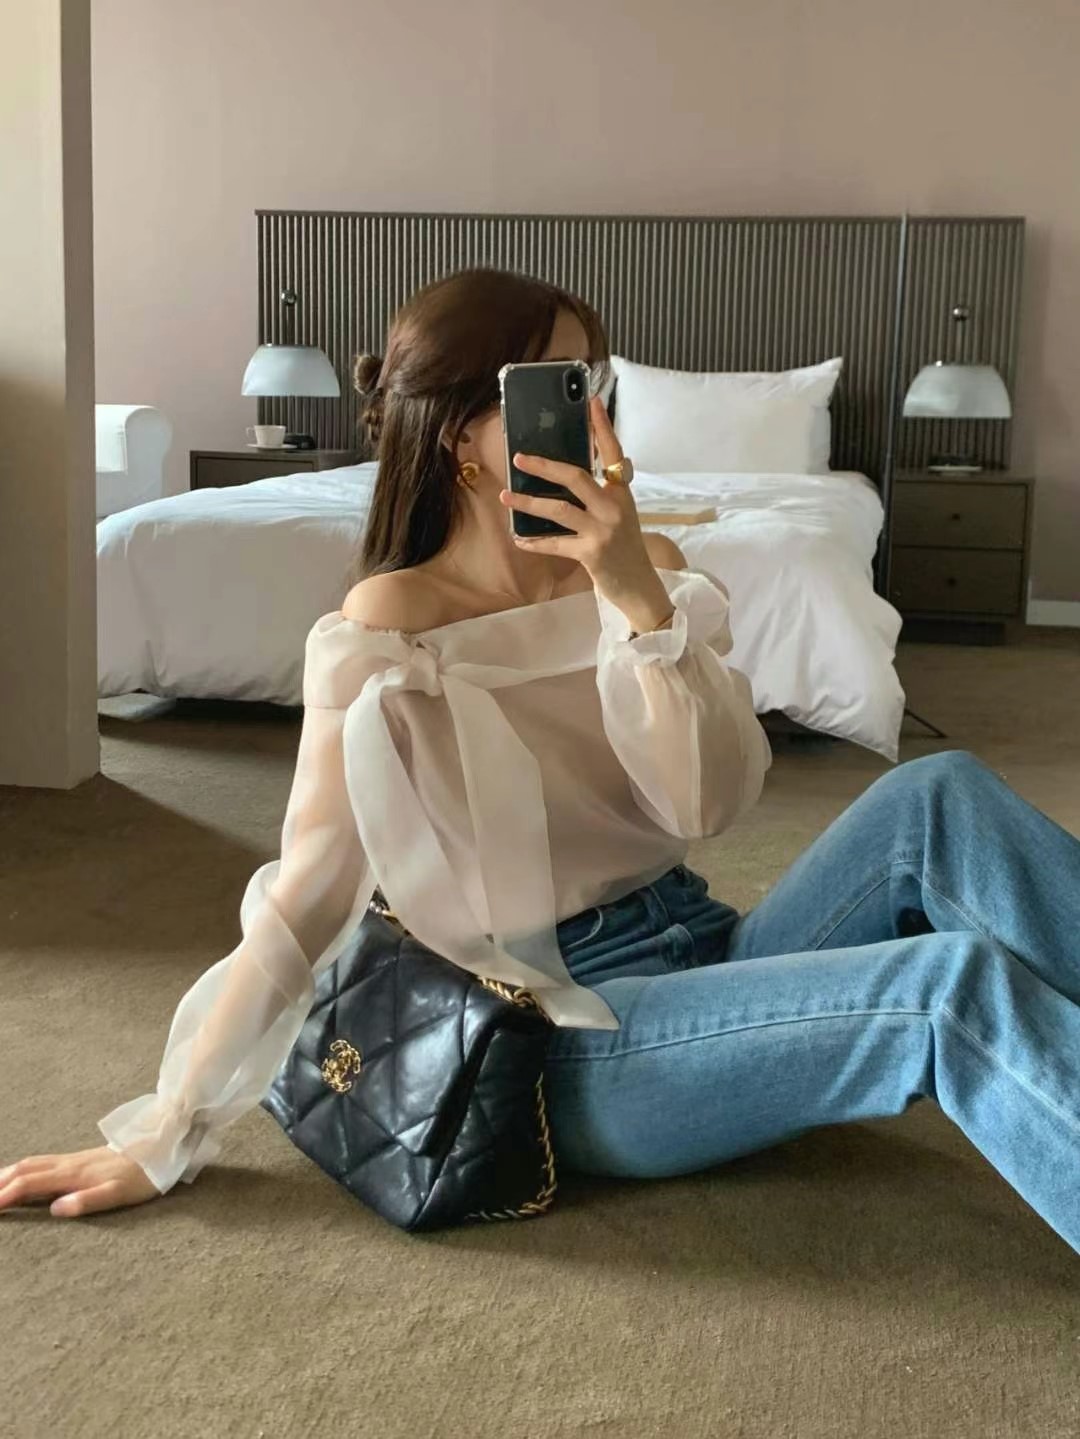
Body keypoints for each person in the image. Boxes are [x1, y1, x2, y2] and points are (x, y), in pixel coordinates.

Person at [3, 268, 1079, 1257]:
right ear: (463, 436)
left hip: (703, 943)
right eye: (559, 386)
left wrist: (632, 594)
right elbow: (308, 896)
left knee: (938, 795)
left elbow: (707, 802)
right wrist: (168, 1125)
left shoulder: (648, 572)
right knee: (948, 987)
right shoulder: (391, 628)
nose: (592, 415)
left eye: (592, 382)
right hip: (564, 1030)